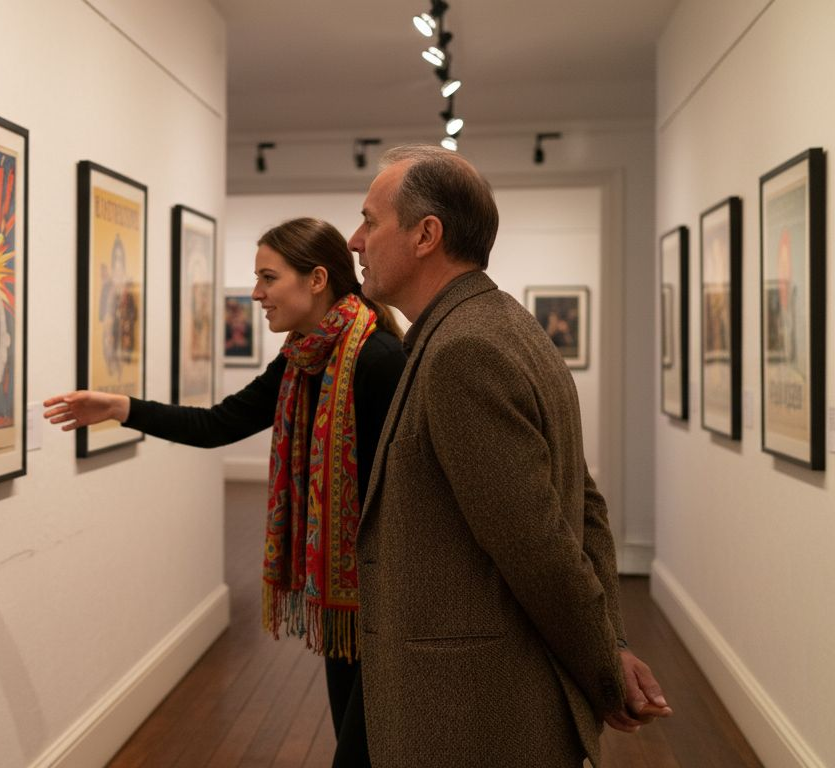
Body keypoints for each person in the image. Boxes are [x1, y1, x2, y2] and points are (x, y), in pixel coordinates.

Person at [347, 144, 670, 767]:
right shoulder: (503, 326)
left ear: (425, 235)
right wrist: (611, 642)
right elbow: (585, 507)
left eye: (370, 221)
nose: (356, 241)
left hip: (473, 712)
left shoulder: (462, 351)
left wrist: (605, 668)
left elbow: (540, 546)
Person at [45, 217, 406, 766]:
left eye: (268, 277)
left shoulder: (378, 359)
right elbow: (218, 424)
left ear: (316, 279)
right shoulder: (302, 358)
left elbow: (402, 495)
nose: (256, 293)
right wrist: (121, 407)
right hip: (342, 600)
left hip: (385, 599)